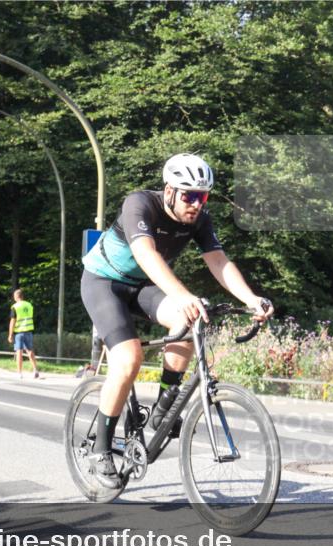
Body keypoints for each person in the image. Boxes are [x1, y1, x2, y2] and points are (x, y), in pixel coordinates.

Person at [80, 153, 274, 488]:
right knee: (129, 360)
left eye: (203, 196)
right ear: (169, 190)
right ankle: (101, 449)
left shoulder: (199, 218)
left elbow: (218, 261)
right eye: (189, 195)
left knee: (190, 322)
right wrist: (184, 295)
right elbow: (146, 254)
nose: (197, 204)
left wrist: (251, 298)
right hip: (103, 283)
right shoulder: (140, 204)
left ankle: (163, 407)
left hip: (142, 286)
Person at [8, 288, 39, 379]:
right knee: (30, 351)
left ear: (16, 297)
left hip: (19, 332)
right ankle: (35, 370)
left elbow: (13, 321)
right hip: (28, 331)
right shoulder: (29, 305)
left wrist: (10, 334)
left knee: (19, 352)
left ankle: (19, 373)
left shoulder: (15, 307)